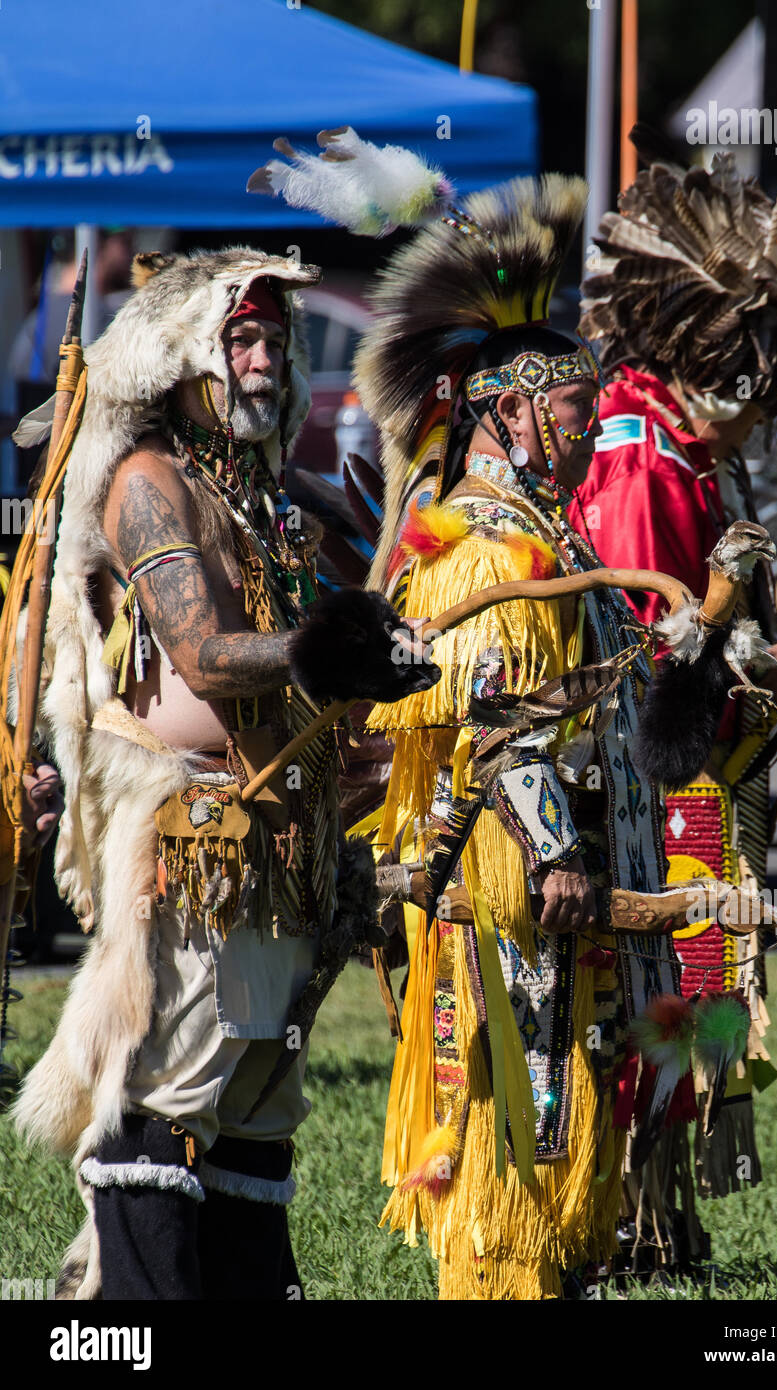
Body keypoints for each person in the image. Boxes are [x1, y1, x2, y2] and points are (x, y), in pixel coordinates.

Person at [10, 247, 434, 1300]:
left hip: (276, 839)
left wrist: (368, 691)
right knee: (165, 1090)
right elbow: (200, 655)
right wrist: (323, 652)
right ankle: (127, 1308)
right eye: (239, 337)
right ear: (184, 357)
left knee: (255, 1101)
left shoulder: (269, 501)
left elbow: (302, 659)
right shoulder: (152, 486)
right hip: (192, 837)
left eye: (274, 339)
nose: (261, 357)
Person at [345, 175, 734, 1297]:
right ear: (508, 412)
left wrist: (713, 634)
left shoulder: (556, 542)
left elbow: (608, 701)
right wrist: (555, 849)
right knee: (512, 1125)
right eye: (573, 412)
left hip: (579, 885)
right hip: (518, 884)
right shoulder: (479, 548)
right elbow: (492, 719)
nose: (589, 428)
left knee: (571, 1114)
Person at [570, 151, 777, 1197]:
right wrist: (766, 666)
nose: (762, 420)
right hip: (637, 775)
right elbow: (640, 648)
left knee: (677, 984)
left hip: (683, 761)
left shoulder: (684, 443)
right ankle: (621, 1209)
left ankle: (656, 1213)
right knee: (645, 984)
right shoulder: (641, 457)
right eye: (758, 397)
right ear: (717, 365)